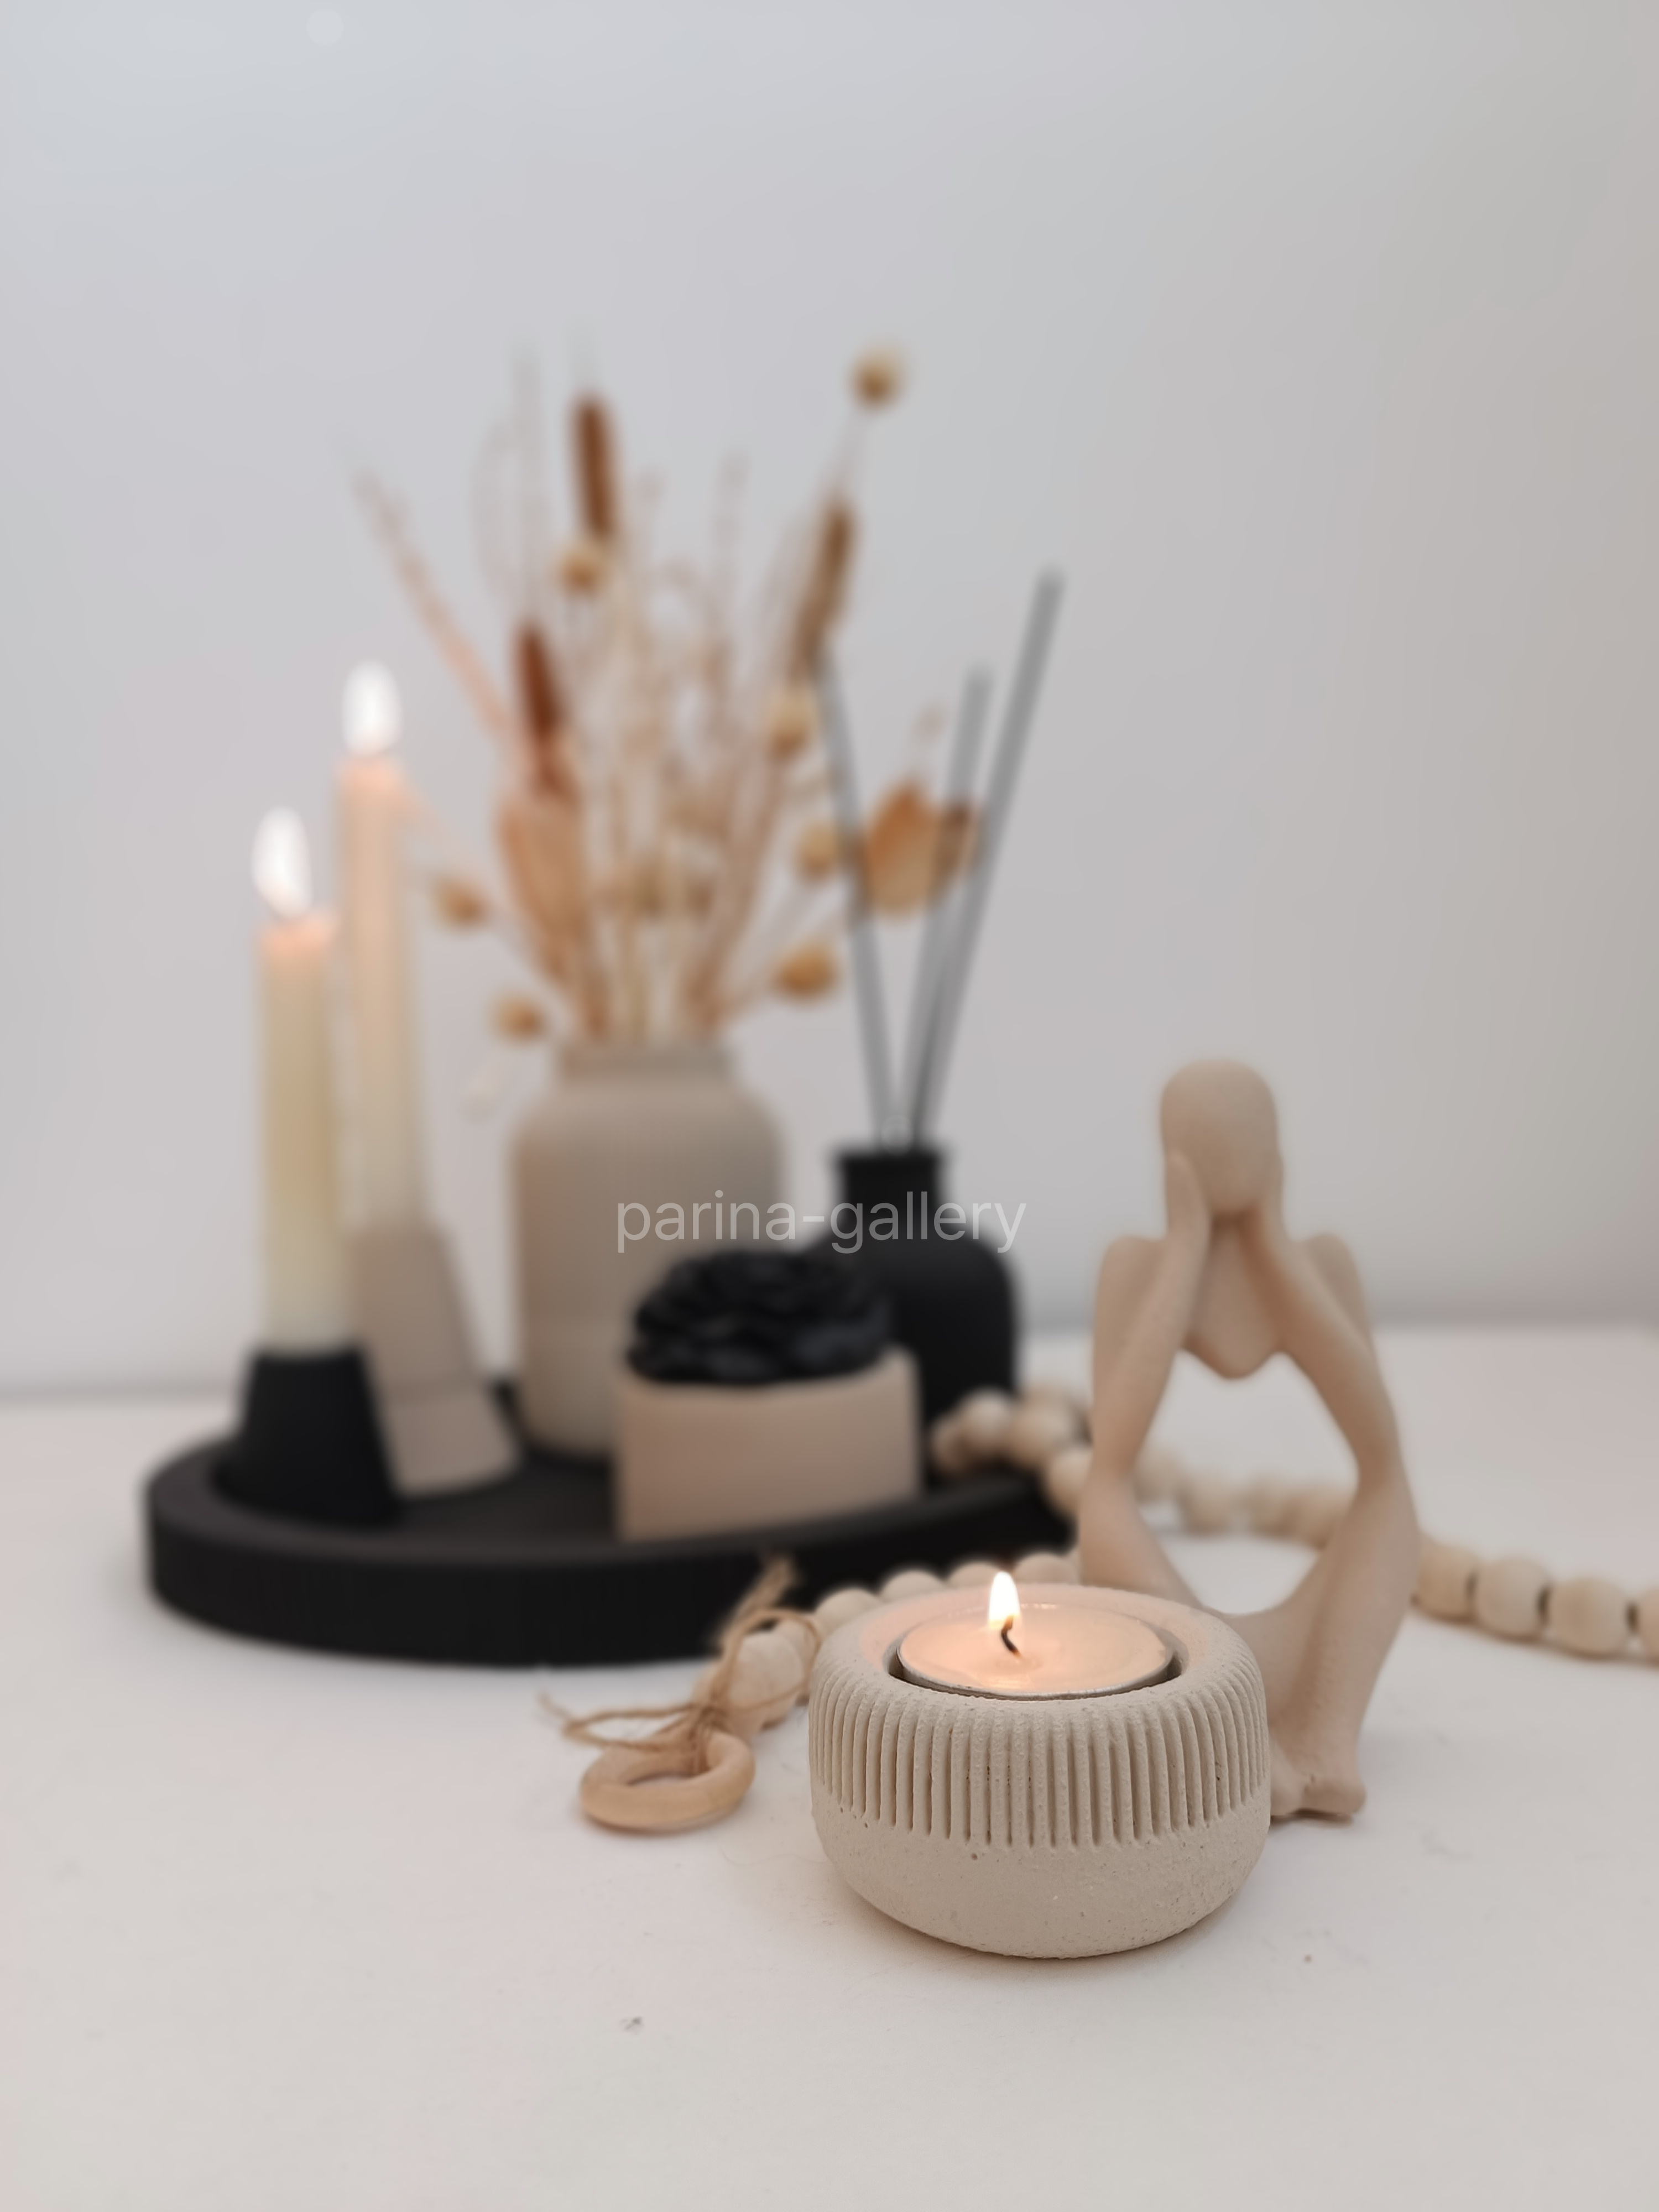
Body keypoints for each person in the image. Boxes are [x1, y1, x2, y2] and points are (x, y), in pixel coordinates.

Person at [1078, 1061, 1418, 1818]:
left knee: (1394, 1493)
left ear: (1274, 1149)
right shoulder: (1135, 1268)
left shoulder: (1323, 1265)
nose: (1228, 1151)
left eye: (1245, 1134)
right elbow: (1114, 1457)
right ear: (1173, 1156)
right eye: (1207, 1137)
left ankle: (1326, 1737)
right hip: (1195, 1643)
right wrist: (1186, 1249)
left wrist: (1275, 1247)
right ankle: (1241, 1738)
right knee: (1100, 1503)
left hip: (1316, 1645)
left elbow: (1379, 1448)